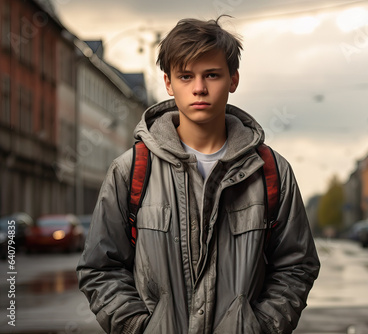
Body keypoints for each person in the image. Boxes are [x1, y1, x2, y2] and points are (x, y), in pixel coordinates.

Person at [77, 16, 320, 334]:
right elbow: (100, 268)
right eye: (186, 76)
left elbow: (296, 265)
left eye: (212, 75)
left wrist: (261, 327)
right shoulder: (131, 171)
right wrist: (138, 328)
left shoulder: (272, 172)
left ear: (233, 80)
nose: (199, 88)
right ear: (168, 83)